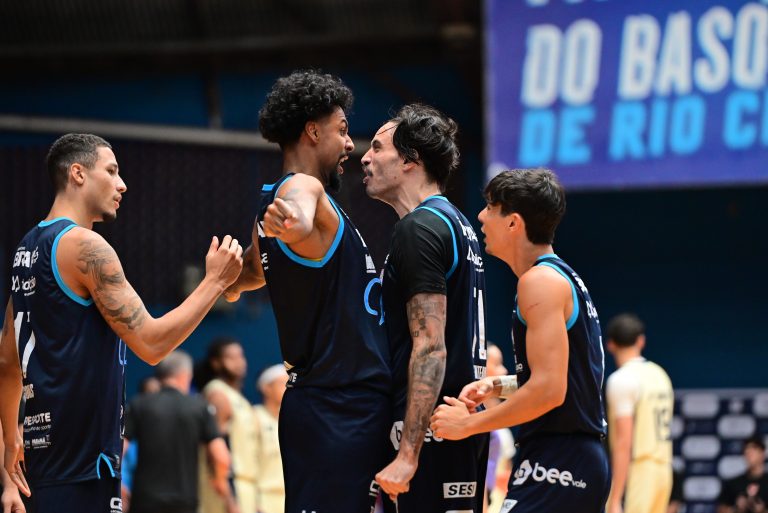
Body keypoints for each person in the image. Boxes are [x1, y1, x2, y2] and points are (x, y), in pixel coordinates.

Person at [0, 133, 243, 512]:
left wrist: (11, 438)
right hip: (85, 465)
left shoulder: (26, 250)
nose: (122, 183)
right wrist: (214, 283)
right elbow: (152, 344)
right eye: (111, 171)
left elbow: (7, 361)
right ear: (78, 173)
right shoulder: (85, 246)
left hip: (43, 464)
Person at [223, 70, 392, 513]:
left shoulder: (276, 206)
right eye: (342, 130)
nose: (350, 144)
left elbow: (254, 270)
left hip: (330, 407)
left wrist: (227, 282)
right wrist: (292, 222)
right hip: (337, 408)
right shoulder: (302, 187)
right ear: (313, 131)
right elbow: (296, 211)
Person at [430, 168, 611, 513]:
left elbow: (550, 390)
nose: (481, 216)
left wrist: (468, 425)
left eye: (490, 207)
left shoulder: (539, 282)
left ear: (513, 222)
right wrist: (498, 385)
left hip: (561, 460)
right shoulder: (559, 277)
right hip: (565, 458)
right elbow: (566, 378)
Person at [360, 103, 489, 512]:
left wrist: (408, 454)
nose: (365, 158)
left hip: (433, 429)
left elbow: (431, 346)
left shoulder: (418, 228)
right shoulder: (457, 224)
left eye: (378, 148)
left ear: (410, 160)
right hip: (459, 421)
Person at [124, 350, 231, 513]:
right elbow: (221, 456)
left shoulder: (139, 404)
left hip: (145, 500)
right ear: (186, 375)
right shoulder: (199, 408)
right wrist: (219, 481)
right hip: (184, 501)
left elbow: (119, 449)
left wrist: (119, 484)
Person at [605, 313, 674, 513]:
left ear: (610, 345)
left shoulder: (621, 379)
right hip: (663, 469)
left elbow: (623, 442)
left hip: (639, 470)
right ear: (641, 341)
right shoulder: (660, 374)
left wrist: (615, 497)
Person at [196, 338, 256, 513]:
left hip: (245, 485)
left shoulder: (237, 397)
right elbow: (215, 448)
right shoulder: (218, 394)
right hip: (226, 487)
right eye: (231, 357)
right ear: (216, 363)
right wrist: (227, 496)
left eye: (240, 356)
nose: (239, 362)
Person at [253, 364, 289, 513]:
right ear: (266, 388)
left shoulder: (292, 421)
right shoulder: (254, 416)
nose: (287, 388)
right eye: (282, 383)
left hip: (288, 499)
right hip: (264, 500)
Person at [718, 436, 768, 513]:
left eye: (753, 450)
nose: (749, 454)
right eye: (746, 452)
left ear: (762, 454)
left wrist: (762, 510)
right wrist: (736, 509)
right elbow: (721, 509)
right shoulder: (733, 484)